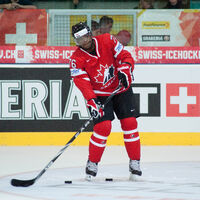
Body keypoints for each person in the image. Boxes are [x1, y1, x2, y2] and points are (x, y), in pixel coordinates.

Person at [70, 22, 142, 181]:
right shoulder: (76, 59)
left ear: (90, 34)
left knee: (129, 123)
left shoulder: (107, 40)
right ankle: (92, 163)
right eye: (80, 39)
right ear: (76, 41)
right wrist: (91, 100)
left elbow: (125, 56)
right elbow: (82, 82)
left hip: (120, 89)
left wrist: (125, 68)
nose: (85, 42)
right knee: (103, 127)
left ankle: (135, 162)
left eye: (85, 37)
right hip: (99, 95)